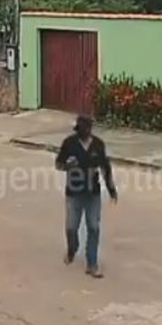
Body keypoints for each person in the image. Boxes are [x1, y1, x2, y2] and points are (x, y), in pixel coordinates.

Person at [54, 115, 118, 278]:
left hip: (92, 193)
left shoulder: (98, 145)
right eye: (81, 130)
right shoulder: (69, 143)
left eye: (86, 130)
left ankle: (92, 263)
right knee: (72, 227)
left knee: (93, 227)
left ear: (90, 129)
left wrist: (111, 189)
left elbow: (105, 168)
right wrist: (68, 165)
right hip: (73, 192)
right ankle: (72, 249)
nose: (84, 133)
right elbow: (58, 164)